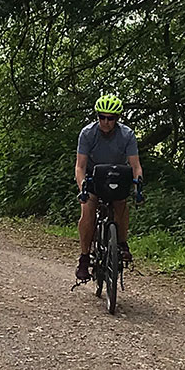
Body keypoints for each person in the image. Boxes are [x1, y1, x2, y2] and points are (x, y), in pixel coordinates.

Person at [74, 94, 143, 281]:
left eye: (110, 118)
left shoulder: (127, 135)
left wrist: (138, 186)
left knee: (121, 204)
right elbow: (80, 166)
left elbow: (135, 166)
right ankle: (84, 257)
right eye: (102, 117)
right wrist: (82, 188)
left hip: (117, 175)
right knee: (88, 210)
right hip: (94, 177)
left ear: (117, 119)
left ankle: (122, 243)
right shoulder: (88, 134)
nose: (105, 122)